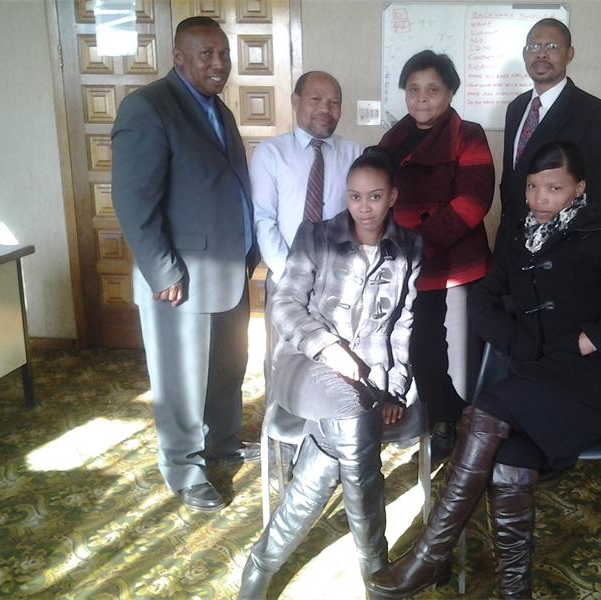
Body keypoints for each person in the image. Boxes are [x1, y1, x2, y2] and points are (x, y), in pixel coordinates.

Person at [369, 140, 601, 599]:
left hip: (596, 385)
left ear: (579, 189)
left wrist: (588, 340)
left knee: (485, 411)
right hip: (539, 377)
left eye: (553, 188)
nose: (539, 199)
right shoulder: (519, 236)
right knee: (508, 462)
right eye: (531, 187)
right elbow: (485, 301)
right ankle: (513, 591)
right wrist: (520, 343)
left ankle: (430, 555)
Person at [239, 147, 422, 599]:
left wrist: (394, 391)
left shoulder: (409, 247)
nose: (364, 207)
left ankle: (262, 562)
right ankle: (377, 572)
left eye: (375, 196)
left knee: (334, 448)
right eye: (355, 196)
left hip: (367, 382)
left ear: (392, 196)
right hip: (302, 366)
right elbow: (284, 305)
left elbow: (404, 326)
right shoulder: (316, 235)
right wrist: (327, 348)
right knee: (354, 424)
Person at [111, 17, 260, 512]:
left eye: (224, 54)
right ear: (178, 57)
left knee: (226, 368)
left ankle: (222, 444)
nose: (219, 64)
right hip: (179, 277)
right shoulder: (148, 107)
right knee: (181, 379)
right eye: (206, 54)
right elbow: (133, 200)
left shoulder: (219, 110)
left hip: (227, 269)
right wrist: (162, 269)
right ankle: (183, 467)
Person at [379, 50, 495, 462]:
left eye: (432, 89)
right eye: (413, 89)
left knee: (459, 354)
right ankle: (439, 416)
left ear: (450, 93)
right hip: (404, 263)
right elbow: (377, 194)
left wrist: (420, 245)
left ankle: (462, 424)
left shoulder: (468, 135)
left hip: (452, 264)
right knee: (418, 347)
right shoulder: (392, 140)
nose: (422, 98)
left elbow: (473, 202)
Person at [251, 71, 363, 384]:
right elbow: (263, 218)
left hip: (340, 283)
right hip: (285, 278)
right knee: (282, 364)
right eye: (316, 99)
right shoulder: (270, 153)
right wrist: (291, 274)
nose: (325, 108)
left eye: (334, 102)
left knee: (337, 366)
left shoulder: (355, 154)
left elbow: (362, 220)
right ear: (296, 101)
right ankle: (279, 417)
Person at [495, 18, 601, 256]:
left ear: (569, 54)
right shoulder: (516, 108)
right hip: (510, 240)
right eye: (534, 47)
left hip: (559, 247)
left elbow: (594, 191)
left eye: (551, 47)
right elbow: (512, 178)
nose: (541, 54)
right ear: (524, 54)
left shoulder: (594, 113)